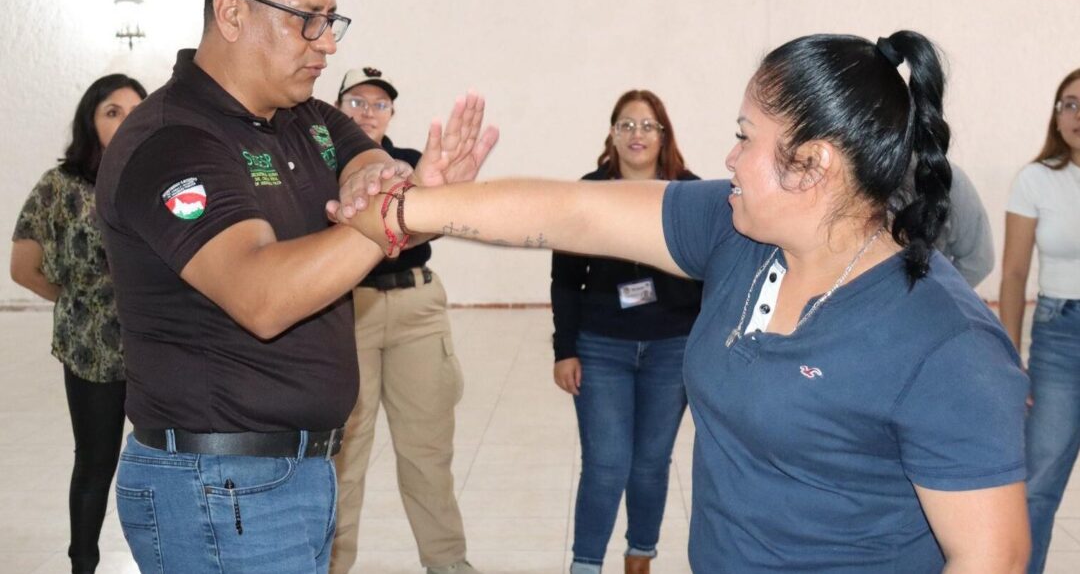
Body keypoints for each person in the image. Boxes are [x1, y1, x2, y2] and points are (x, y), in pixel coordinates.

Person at [343, 31, 1031, 572]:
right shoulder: (739, 235)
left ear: (814, 163)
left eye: (744, 136)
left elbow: (992, 557)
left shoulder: (945, 343)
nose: (728, 157)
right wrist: (413, 207)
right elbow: (575, 211)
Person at [94, 0, 495, 573]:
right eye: (307, 19)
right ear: (231, 12)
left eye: (334, 21)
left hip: (292, 473)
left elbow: (370, 173)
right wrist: (395, 216)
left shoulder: (306, 117)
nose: (328, 43)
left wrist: (412, 190)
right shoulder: (171, 141)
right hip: (218, 484)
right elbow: (263, 294)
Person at [330, 67, 478, 574]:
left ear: (392, 113)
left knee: (427, 455)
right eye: (356, 102)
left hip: (417, 311)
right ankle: (331, 565)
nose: (368, 112)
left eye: (379, 104)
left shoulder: (412, 165)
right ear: (336, 107)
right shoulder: (316, 165)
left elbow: (428, 219)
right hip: (348, 313)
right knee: (344, 460)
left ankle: (449, 564)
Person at [550, 89, 700, 574]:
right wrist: (565, 349)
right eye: (627, 125)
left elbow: (713, 276)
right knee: (606, 463)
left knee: (651, 464)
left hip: (672, 347)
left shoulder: (690, 194)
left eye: (647, 125)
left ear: (664, 135)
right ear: (612, 134)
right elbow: (566, 280)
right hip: (601, 347)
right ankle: (586, 564)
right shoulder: (587, 192)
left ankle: (640, 557)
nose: (637, 134)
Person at [11, 74, 145, 574]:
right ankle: (83, 563)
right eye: (112, 111)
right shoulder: (59, 186)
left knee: (161, 460)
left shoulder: (160, 179)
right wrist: (76, 304)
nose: (125, 121)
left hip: (160, 344)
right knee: (96, 462)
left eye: (136, 111)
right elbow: (23, 269)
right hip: (91, 350)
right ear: (91, 121)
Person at [1000, 68, 1080, 573]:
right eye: (1069, 103)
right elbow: (1012, 273)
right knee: (1037, 489)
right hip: (1060, 341)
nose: (1078, 115)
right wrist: (1010, 359)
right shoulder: (1036, 179)